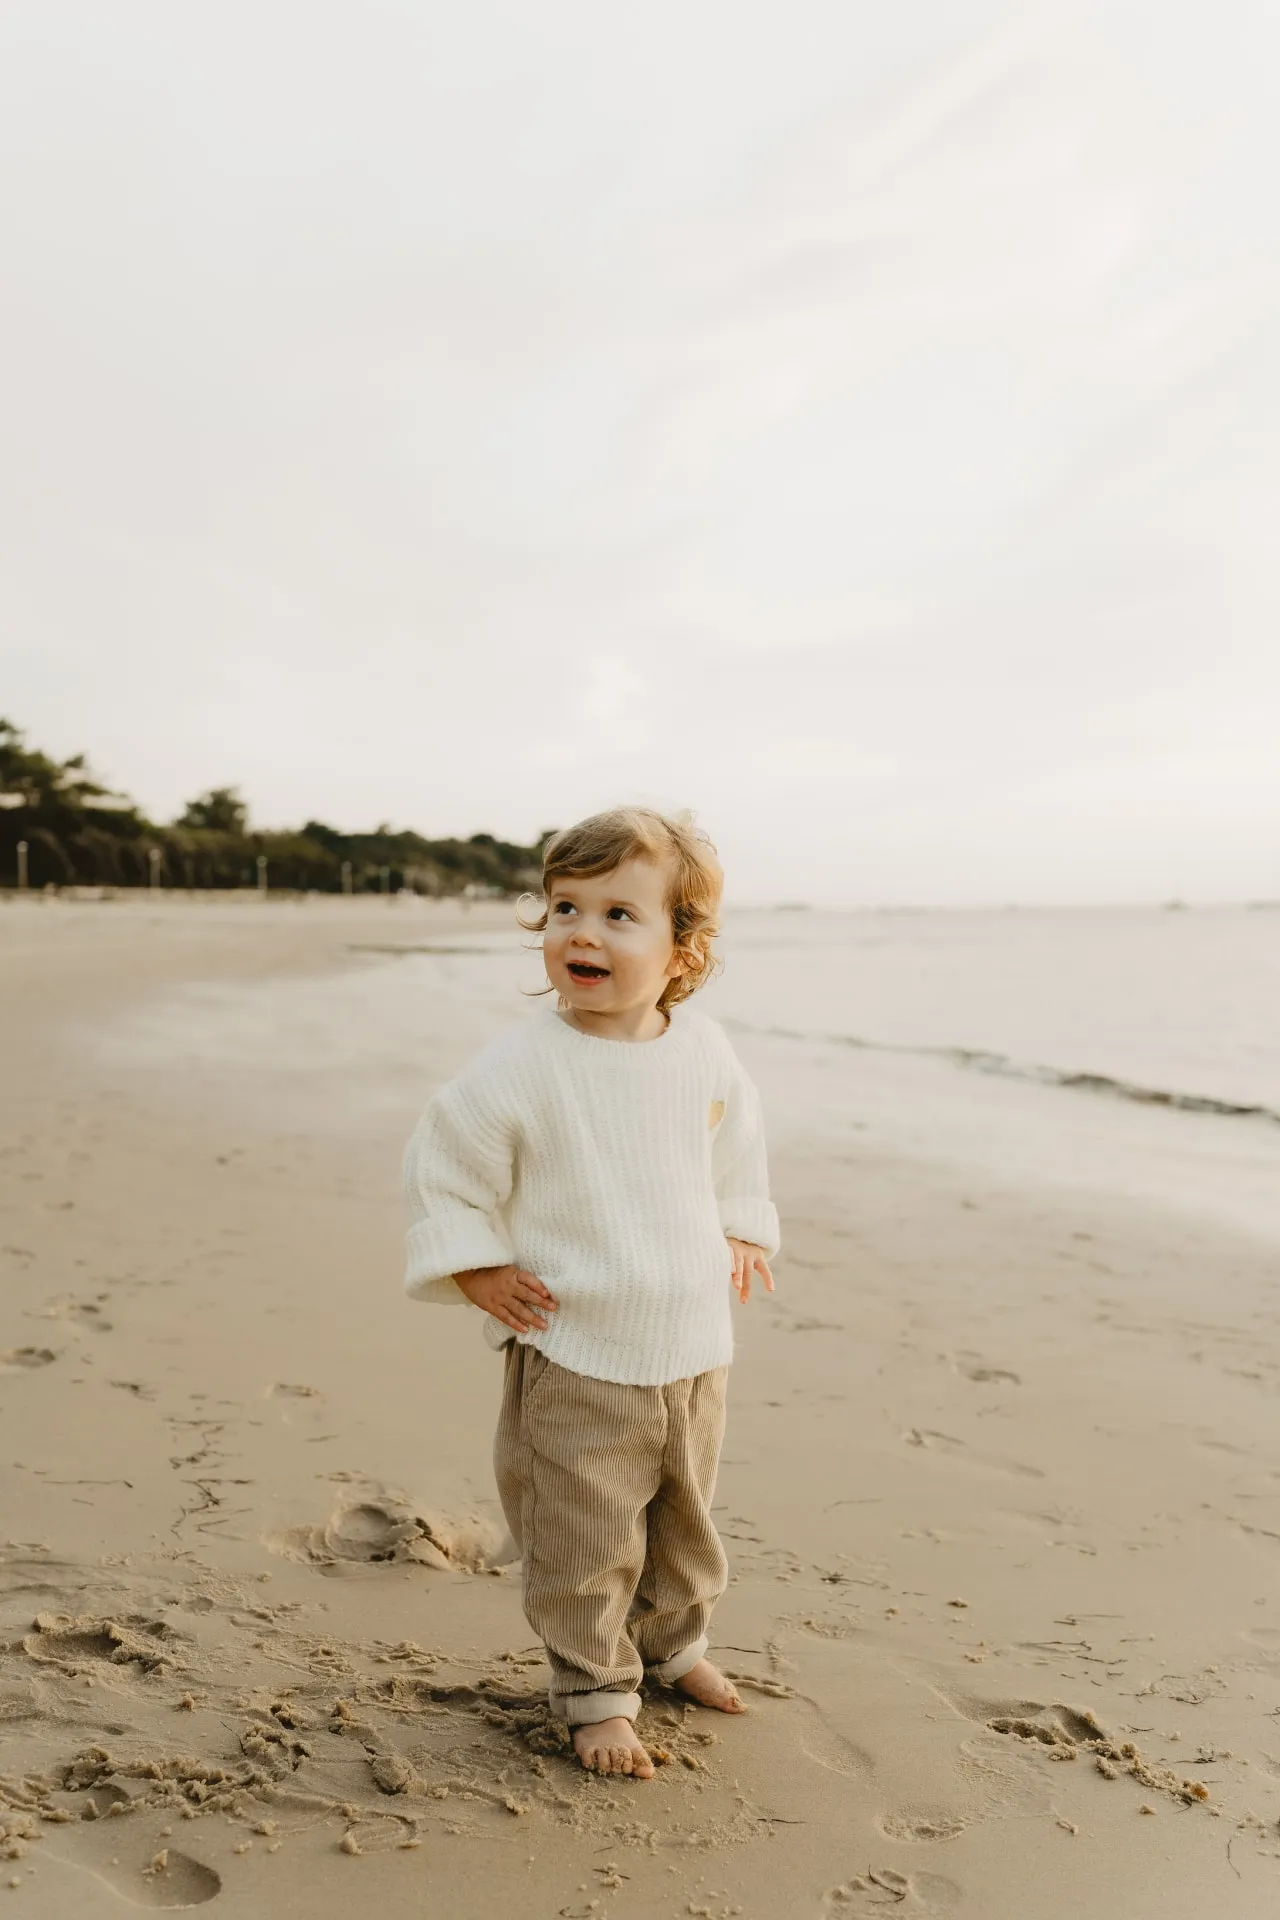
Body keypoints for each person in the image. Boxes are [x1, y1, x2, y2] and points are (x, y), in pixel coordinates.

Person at [402, 805, 780, 1779]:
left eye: (620, 914)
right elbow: (445, 1157)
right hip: (576, 1349)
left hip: (692, 1341)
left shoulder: (701, 1051)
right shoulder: (524, 1063)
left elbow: (736, 1145)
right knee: (583, 1534)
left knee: (683, 1524)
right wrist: (473, 1261)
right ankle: (594, 1691)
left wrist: (743, 1222)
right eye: (565, 907)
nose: (581, 931)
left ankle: (672, 1647)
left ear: (681, 949)